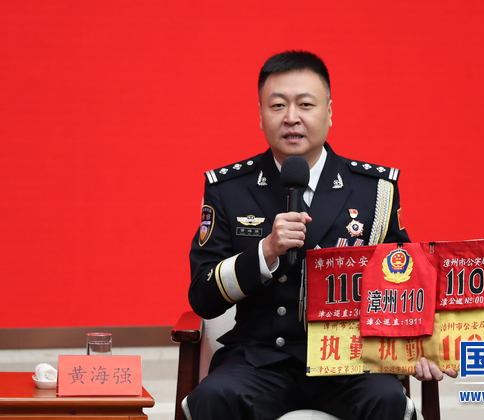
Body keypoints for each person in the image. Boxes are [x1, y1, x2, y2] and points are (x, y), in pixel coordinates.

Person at [187, 51, 456, 420]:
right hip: (259, 358)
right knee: (214, 397)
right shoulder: (229, 188)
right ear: (261, 115)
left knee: (386, 400)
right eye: (277, 105)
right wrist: (266, 251)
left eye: (305, 104)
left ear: (329, 112)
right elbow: (202, 297)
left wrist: (423, 345)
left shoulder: (374, 189)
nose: (291, 117)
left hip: (351, 362)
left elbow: (406, 279)